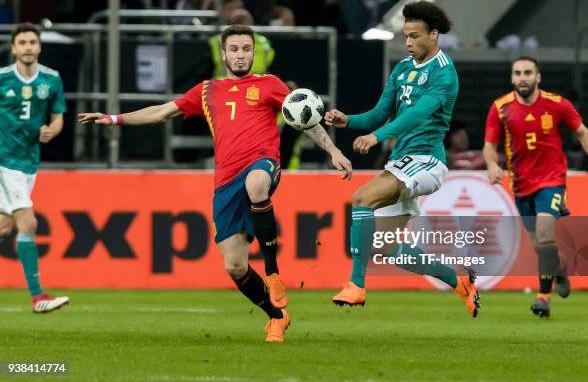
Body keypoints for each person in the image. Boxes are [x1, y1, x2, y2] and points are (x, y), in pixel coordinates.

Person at [79, 24, 352, 342]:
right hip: (225, 181)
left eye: (246, 49)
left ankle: (273, 273)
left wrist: (333, 150)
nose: (240, 55)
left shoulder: (270, 84)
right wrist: (114, 118)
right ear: (223, 54)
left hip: (262, 164)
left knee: (257, 185)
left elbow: (304, 118)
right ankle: (276, 316)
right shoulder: (207, 90)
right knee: (235, 266)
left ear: (254, 52)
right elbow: (163, 111)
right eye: (234, 49)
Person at [325, 1, 480, 318]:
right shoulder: (402, 69)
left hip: (426, 162)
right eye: (405, 36)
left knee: (361, 198)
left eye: (414, 36)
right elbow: (379, 113)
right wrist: (348, 121)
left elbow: (417, 114)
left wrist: (378, 136)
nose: (408, 43)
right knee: (385, 247)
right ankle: (459, 281)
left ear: (433, 35)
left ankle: (356, 285)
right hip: (401, 162)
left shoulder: (444, 75)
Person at [483, 56, 588, 318]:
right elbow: (489, 145)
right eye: (517, 73)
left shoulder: (557, 104)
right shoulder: (500, 107)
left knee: (544, 235)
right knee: (541, 244)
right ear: (512, 78)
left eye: (528, 72)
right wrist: (491, 166)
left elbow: (583, 133)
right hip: (521, 184)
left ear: (538, 77)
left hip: (552, 180)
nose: (523, 78)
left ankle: (543, 297)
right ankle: (561, 268)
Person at [0, 23, 69, 313]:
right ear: (13, 48)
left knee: (4, 228)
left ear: (39, 47)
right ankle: (38, 297)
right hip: (6, 162)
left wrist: (51, 132)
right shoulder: (2, 79)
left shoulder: (52, 80)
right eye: (22, 42)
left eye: (32, 42)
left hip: (29, 162)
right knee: (28, 224)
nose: (28, 47)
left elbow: (57, 117)